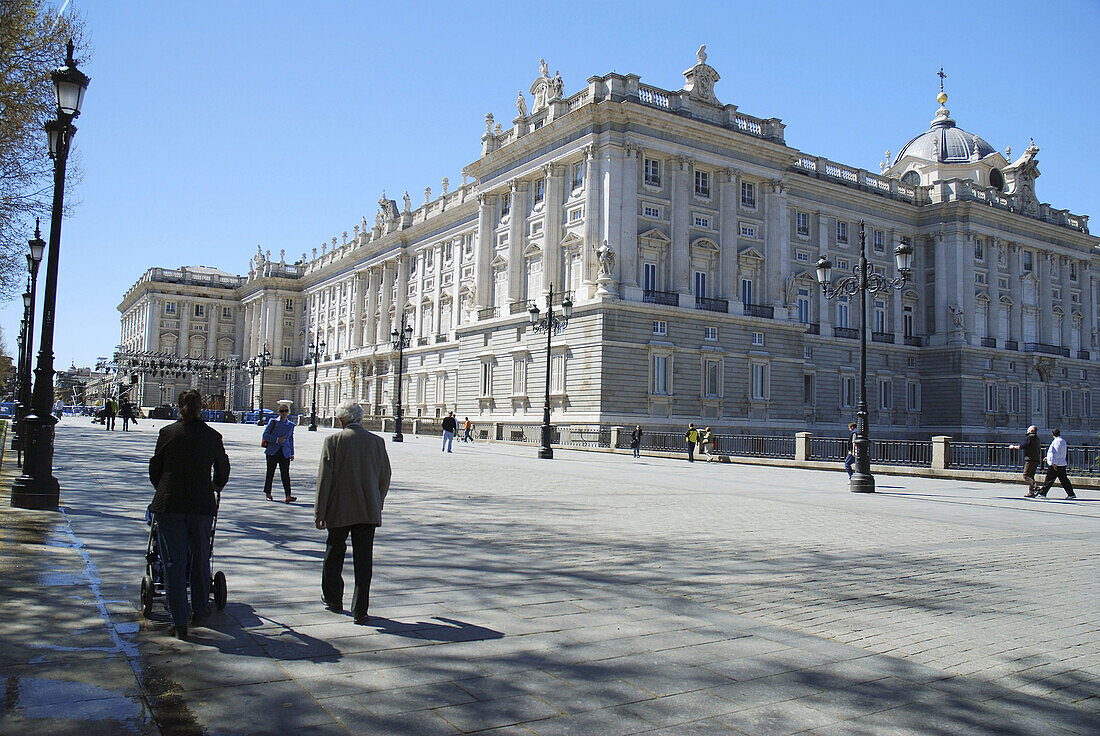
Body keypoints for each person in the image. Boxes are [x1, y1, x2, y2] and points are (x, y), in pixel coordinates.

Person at [148, 390, 231, 640]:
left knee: (173, 562)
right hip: (201, 504)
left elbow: (155, 468)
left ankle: (180, 620)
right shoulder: (212, 436)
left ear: (179, 407)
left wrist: (162, 488)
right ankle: (199, 607)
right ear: (201, 408)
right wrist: (215, 486)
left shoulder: (168, 434)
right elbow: (224, 468)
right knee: (200, 557)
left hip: (170, 504)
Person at [315, 400, 391, 624]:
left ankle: (334, 599)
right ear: (360, 419)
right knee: (363, 560)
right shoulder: (377, 442)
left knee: (334, 554)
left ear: (341, 420)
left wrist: (320, 512)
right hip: (368, 509)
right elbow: (385, 476)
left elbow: (324, 480)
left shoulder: (333, 441)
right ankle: (360, 609)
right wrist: (377, 500)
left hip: (339, 509)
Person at [262, 405, 296, 503]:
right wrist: (277, 439)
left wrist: (292, 452)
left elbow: (290, 439)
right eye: (282, 411)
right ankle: (268, 493)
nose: (284, 413)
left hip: (285, 452)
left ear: (288, 412)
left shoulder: (290, 425)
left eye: (286, 411)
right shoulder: (273, 422)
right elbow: (265, 435)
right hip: (272, 451)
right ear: (279, 412)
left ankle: (288, 495)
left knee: (285, 474)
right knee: (270, 473)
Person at [1034, 428, 1076, 499]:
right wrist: (1048, 457)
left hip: (1056, 464)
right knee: (1064, 480)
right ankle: (1071, 493)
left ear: (1053, 434)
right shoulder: (1063, 441)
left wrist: (1054, 463)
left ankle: (1043, 493)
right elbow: (1060, 452)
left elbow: (1055, 453)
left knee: (1049, 479)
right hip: (1061, 463)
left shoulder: (1056, 441)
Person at [1009, 425, 1041, 497]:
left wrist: (1013, 447)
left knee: (1026, 475)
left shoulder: (1029, 438)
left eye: (1028, 429)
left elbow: (1022, 446)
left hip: (1030, 459)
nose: (1027, 431)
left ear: (1031, 431)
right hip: (1036, 459)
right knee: (1031, 476)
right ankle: (1031, 492)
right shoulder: (1037, 438)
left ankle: (1036, 487)